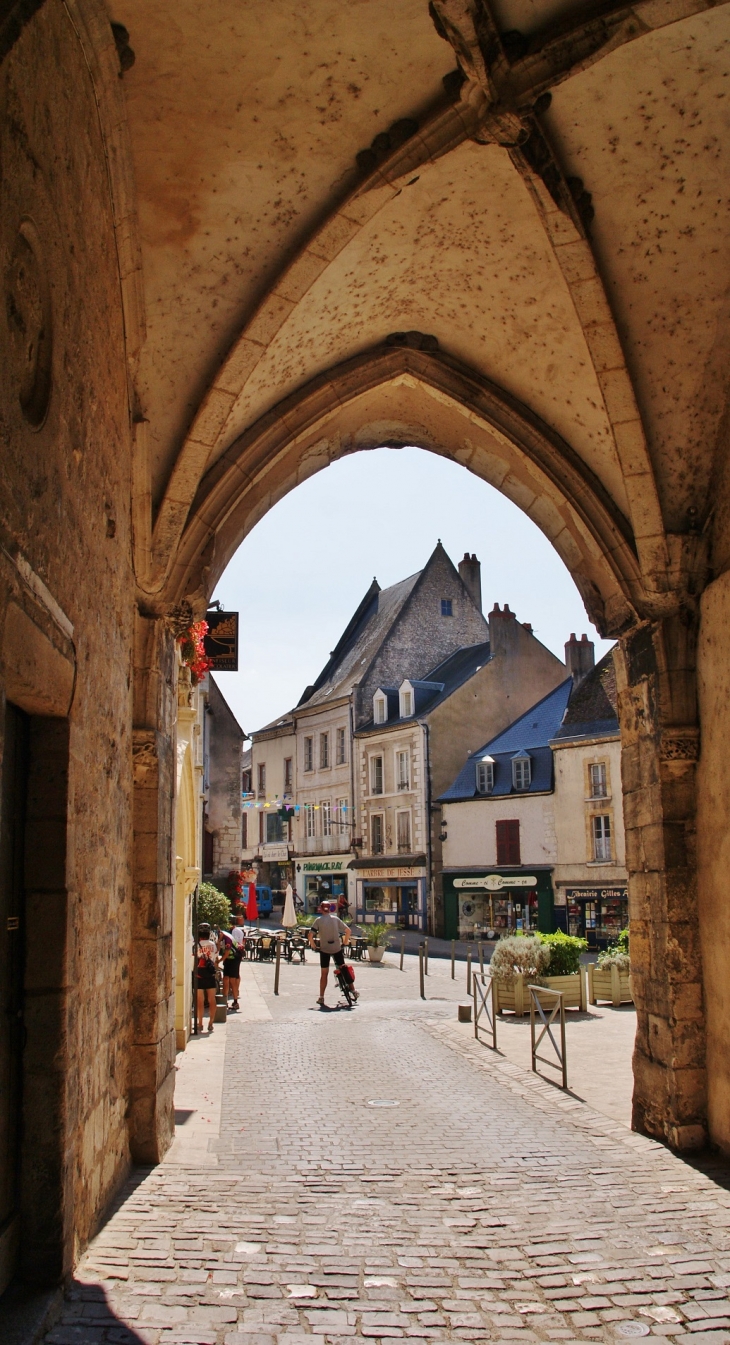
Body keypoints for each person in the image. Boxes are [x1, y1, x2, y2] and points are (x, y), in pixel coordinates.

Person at [309, 900, 358, 1007]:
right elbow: (348, 930)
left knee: (324, 974)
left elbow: (310, 935)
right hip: (336, 948)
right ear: (330, 909)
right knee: (344, 969)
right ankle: (353, 991)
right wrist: (345, 942)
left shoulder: (318, 920)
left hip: (324, 950)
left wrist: (313, 945)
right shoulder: (335, 919)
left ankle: (321, 997)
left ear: (321, 909)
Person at [195, 922, 219, 1031]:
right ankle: (211, 1022)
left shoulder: (196, 945)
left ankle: (200, 1023)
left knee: (200, 1000)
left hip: (199, 973)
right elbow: (214, 959)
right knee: (211, 999)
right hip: (210, 973)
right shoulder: (212, 945)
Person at [218, 927, 243, 1010]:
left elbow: (227, 952)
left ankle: (235, 1002)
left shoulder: (228, 939)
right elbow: (219, 949)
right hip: (229, 959)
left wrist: (219, 961)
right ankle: (225, 1001)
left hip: (234, 959)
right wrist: (218, 941)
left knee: (232, 980)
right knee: (225, 979)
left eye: (219, 934)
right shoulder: (224, 939)